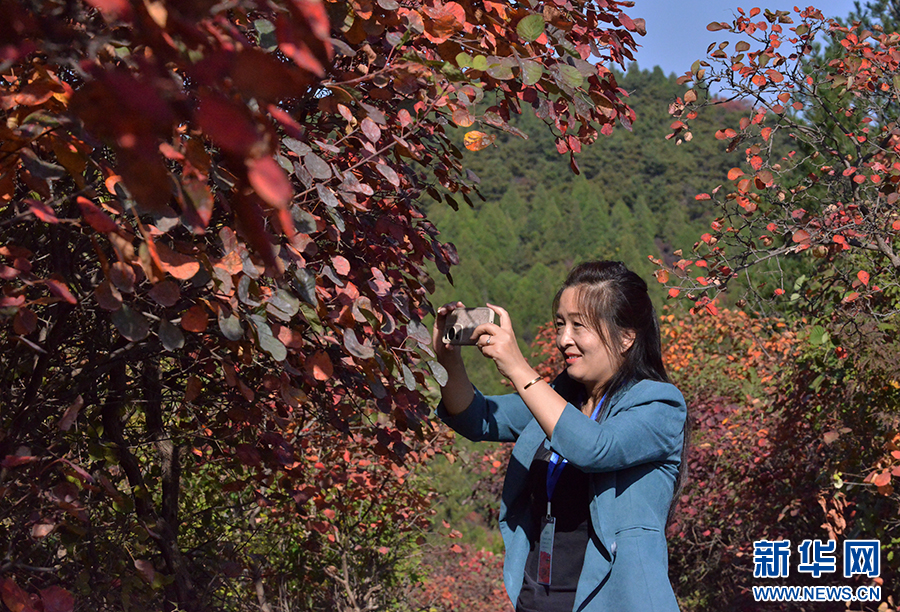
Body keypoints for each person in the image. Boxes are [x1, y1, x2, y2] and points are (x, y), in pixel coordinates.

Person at [432, 260, 687, 612]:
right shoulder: (560, 401)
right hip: (537, 601)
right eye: (560, 324)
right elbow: (476, 418)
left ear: (626, 336)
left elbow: (597, 447)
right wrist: (448, 360)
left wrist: (518, 368)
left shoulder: (659, 405)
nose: (564, 339)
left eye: (579, 326)